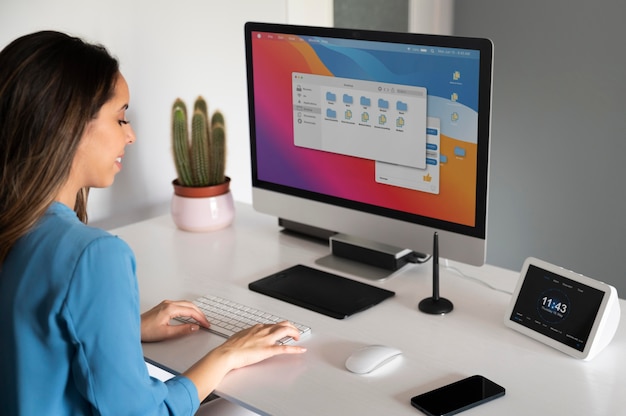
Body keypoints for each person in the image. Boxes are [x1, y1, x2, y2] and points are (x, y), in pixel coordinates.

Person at [0, 31, 306, 415]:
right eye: (120, 117)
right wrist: (227, 354)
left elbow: (32, 334)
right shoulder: (92, 256)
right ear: (69, 125)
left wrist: (123, 330)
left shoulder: (15, 227)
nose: (130, 135)